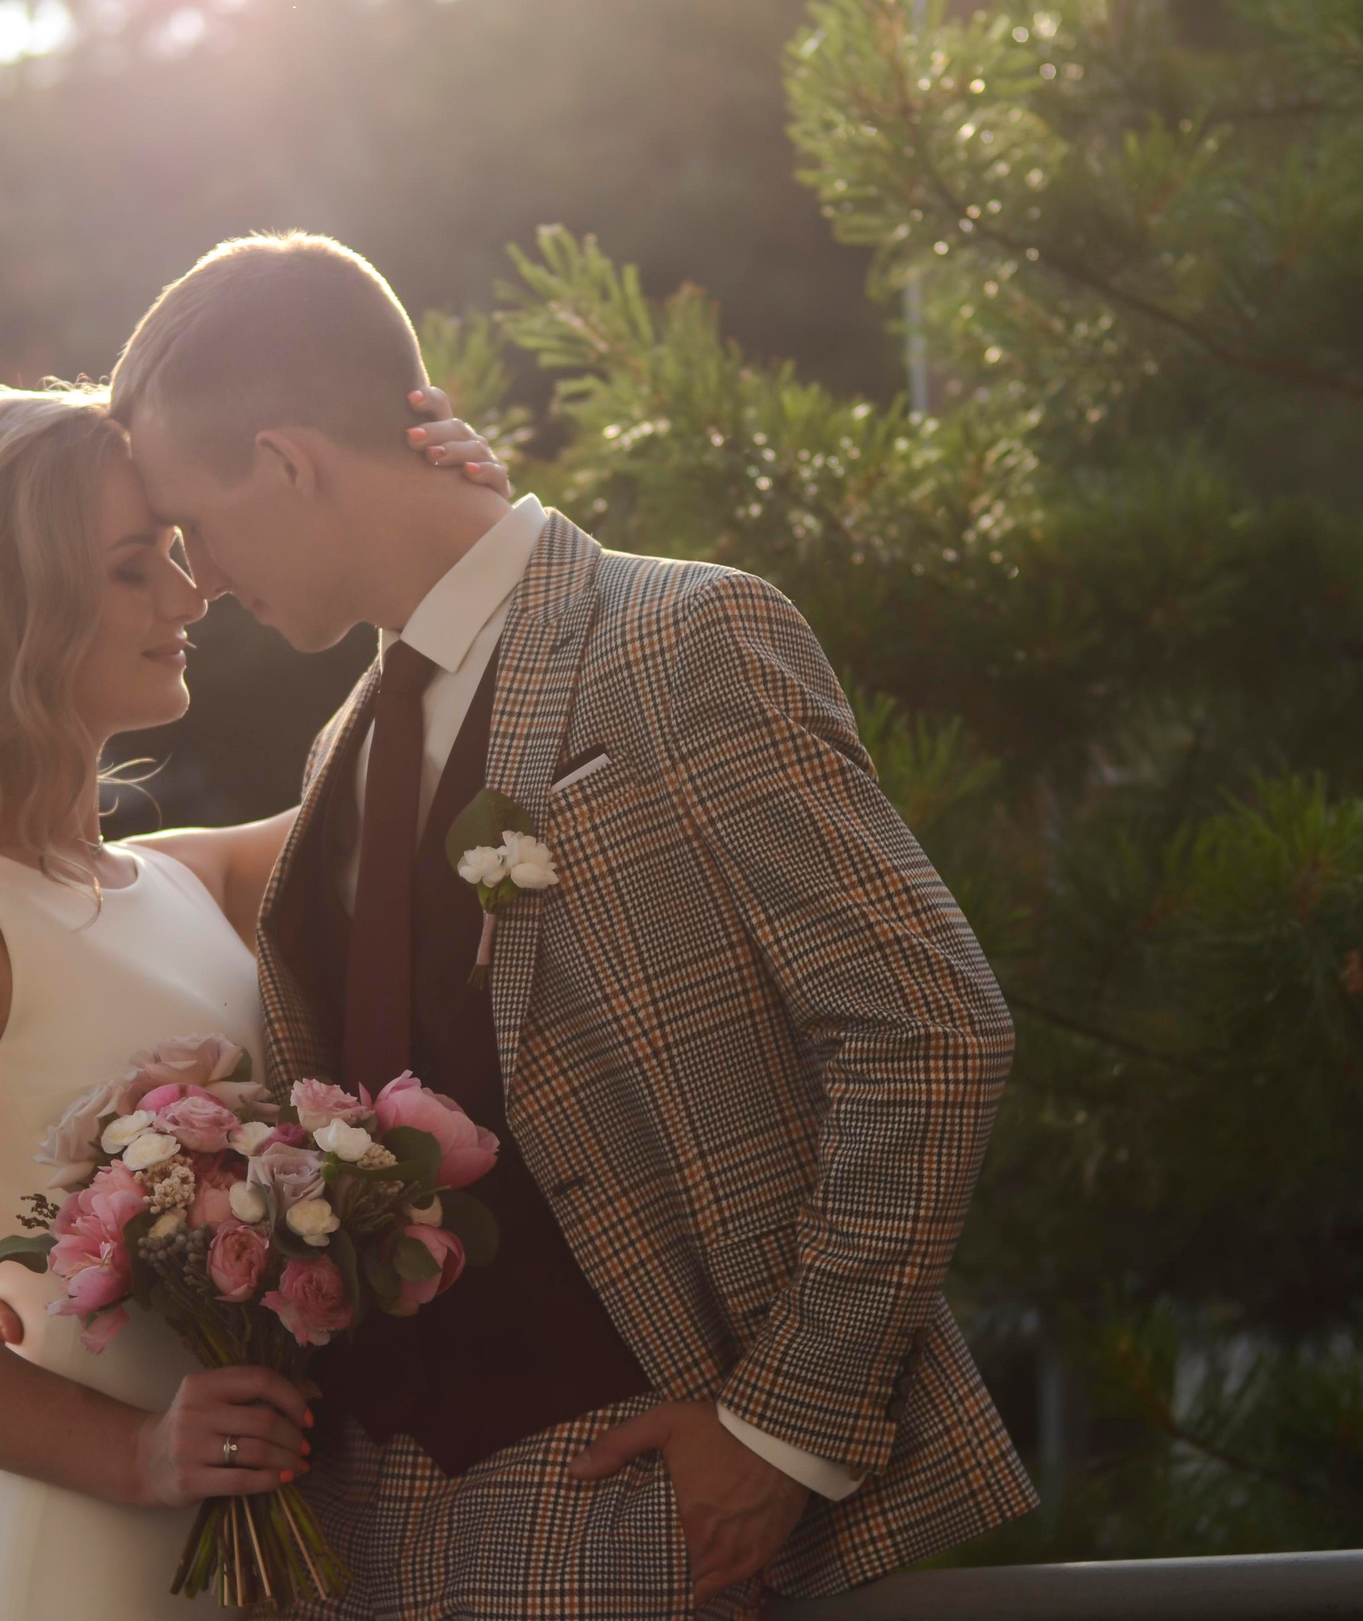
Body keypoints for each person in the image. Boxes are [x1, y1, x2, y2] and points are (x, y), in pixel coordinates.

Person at [94, 231, 1040, 1619]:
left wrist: (783, 1427)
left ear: (290, 463)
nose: (205, 579)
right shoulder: (344, 748)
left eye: (197, 523)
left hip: (652, 1513)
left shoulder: (682, 641)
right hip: (369, 1535)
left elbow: (929, 1033)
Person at [0, 381, 510, 1619]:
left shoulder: (182, 875)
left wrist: (466, 536)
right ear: (11, 607)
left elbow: (421, 760)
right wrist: (136, 1454)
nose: (188, 594)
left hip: (275, 1540)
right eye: (130, 567)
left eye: (170, 554)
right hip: (87, 1557)